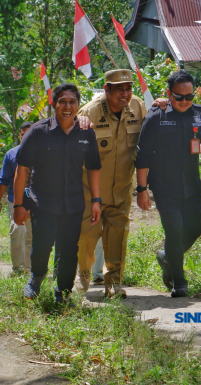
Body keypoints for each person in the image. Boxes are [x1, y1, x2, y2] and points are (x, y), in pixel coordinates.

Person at [135, 70, 201, 297]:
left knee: (195, 228)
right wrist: (142, 189)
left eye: (189, 96)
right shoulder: (157, 115)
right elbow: (142, 154)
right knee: (174, 230)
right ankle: (179, 281)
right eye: (179, 97)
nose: (184, 101)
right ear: (169, 94)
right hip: (164, 186)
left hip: (191, 184)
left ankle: (167, 257)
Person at [13, 84, 102, 305]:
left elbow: (93, 168)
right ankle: (36, 279)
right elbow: (21, 170)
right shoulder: (37, 132)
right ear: (54, 104)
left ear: (78, 106)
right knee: (42, 245)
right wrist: (18, 205)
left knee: (69, 250)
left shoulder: (86, 133)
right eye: (62, 101)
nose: (67, 106)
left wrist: (96, 201)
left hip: (73, 203)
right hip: (42, 202)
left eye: (72, 102)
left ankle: (63, 291)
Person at [75, 69, 147, 298]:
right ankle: (84, 271)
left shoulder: (137, 107)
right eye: (119, 89)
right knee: (87, 235)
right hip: (90, 191)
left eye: (128, 88)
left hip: (122, 188)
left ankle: (113, 283)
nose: (124, 94)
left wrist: (162, 103)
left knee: (118, 236)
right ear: (106, 90)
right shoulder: (90, 112)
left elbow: (152, 128)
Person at [0, 121, 33, 275]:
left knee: (32, 235)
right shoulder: (11, 154)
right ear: (20, 135)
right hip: (15, 200)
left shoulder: (44, 153)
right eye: (24, 134)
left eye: (30, 133)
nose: (27, 137)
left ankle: (30, 270)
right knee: (18, 231)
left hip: (36, 201)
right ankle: (18, 269)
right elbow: (3, 180)